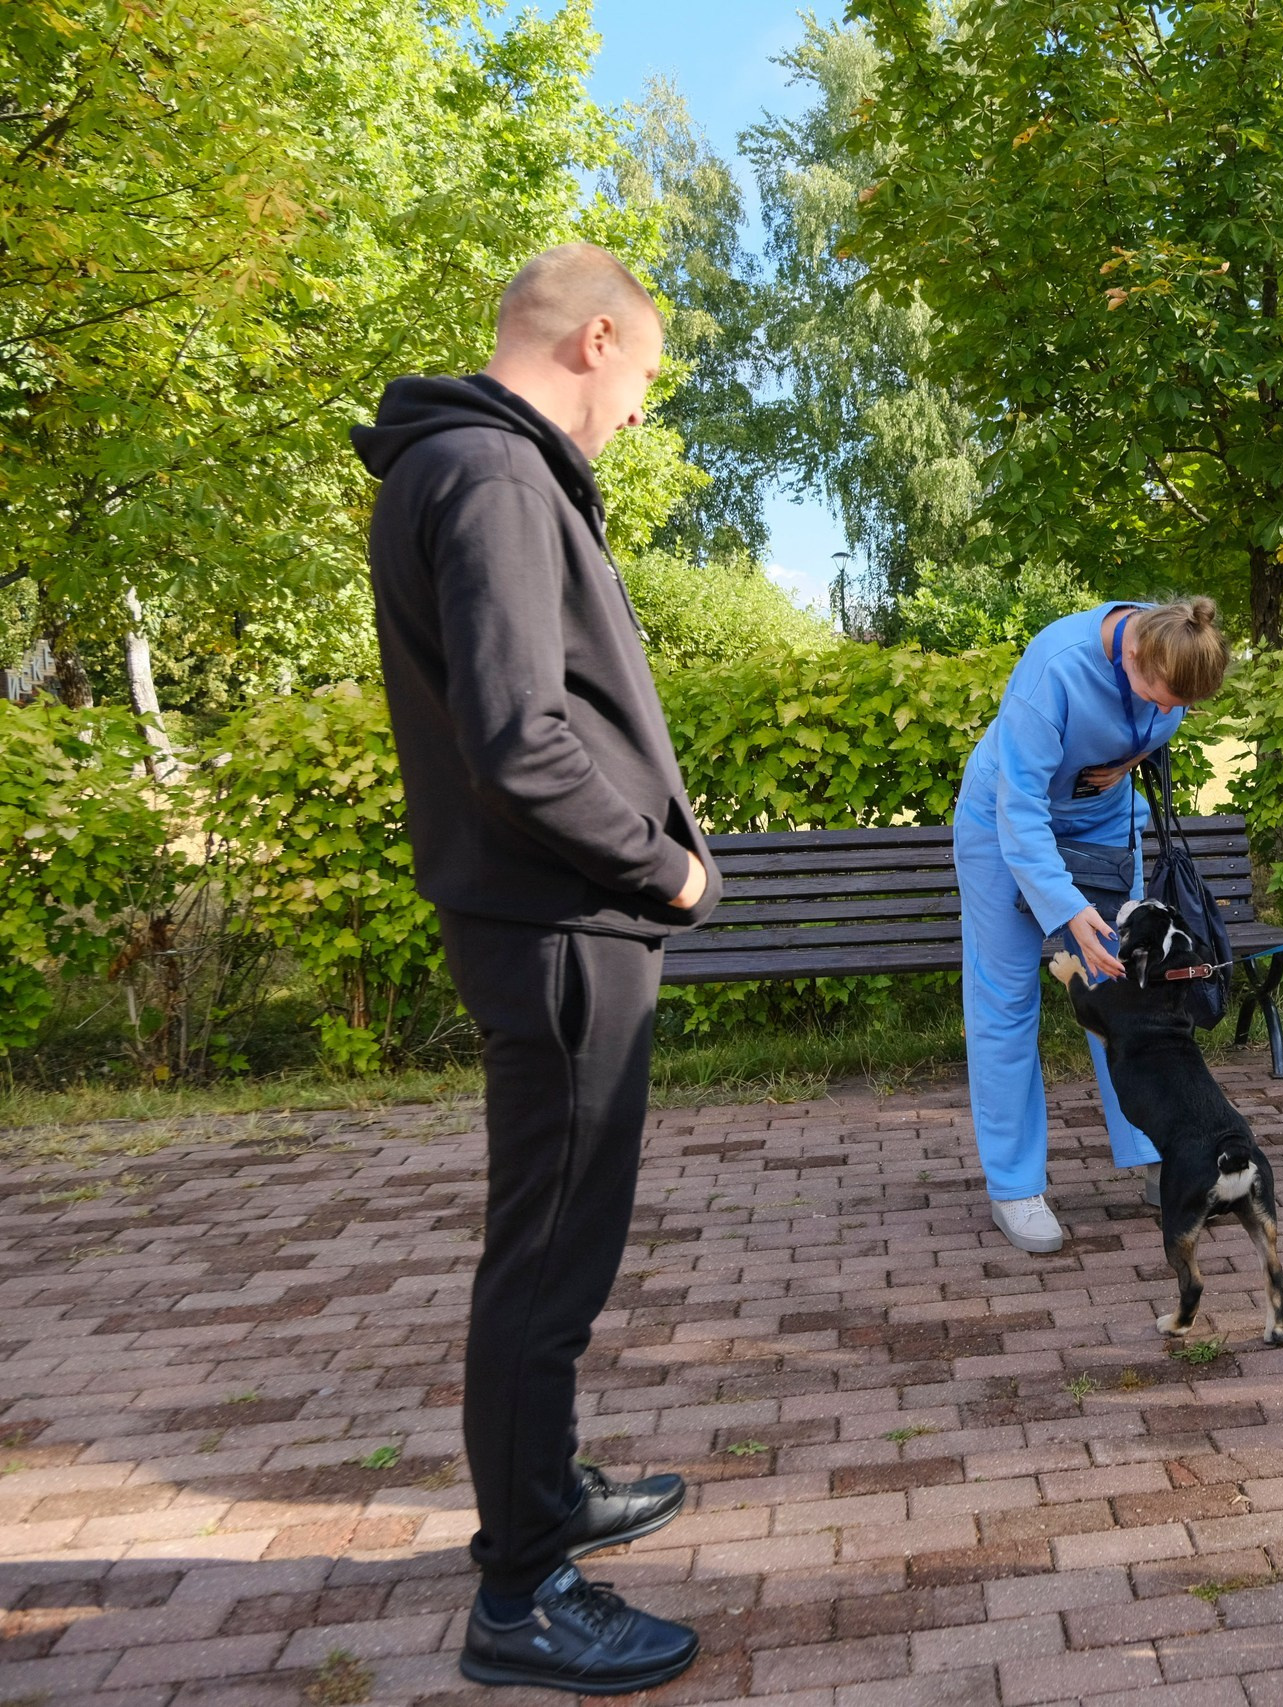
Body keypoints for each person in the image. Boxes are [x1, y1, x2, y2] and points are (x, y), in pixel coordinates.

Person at [354, 243, 720, 1695]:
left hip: (542, 920)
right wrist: (664, 864)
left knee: (548, 1246)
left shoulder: (452, 468)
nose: (636, 410)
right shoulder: (497, 478)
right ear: (598, 338)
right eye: (640, 378)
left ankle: (544, 1488)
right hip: (564, 925)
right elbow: (520, 741)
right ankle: (522, 1592)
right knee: (549, 1264)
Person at [955, 597, 1231, 1252]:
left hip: (1104, 825)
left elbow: (1161, 720)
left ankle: (1154, 1156)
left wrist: (1132, 762)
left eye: (1176, 705)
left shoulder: (1174, 654)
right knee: (1007, 999)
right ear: (1133, 652)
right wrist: (1066, 908)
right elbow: (1018, 807)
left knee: (1127, 993)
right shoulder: (1056, 667)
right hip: (1006, 826)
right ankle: (1015, 1186)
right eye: (1155, 696)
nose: (1164, 712)